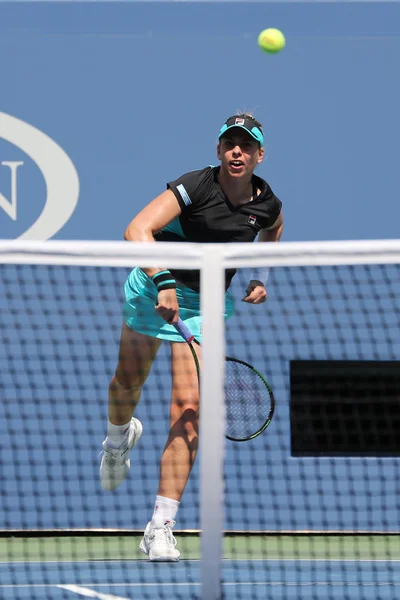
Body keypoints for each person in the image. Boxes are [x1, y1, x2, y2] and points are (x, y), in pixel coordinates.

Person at [99, 113, 284, 562]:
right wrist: (163, 280)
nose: (237, 151)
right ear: (219, 151)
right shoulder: (196, 187)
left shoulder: (268, 204)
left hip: (205, 307)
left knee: (189, 408)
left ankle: (160, 526)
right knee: (127, 384)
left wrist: (259, 274)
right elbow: (136, 229)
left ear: (260, 155)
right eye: (229, 144)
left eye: (246, 145)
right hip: (153, 287)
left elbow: (272, 232)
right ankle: (118, 438)